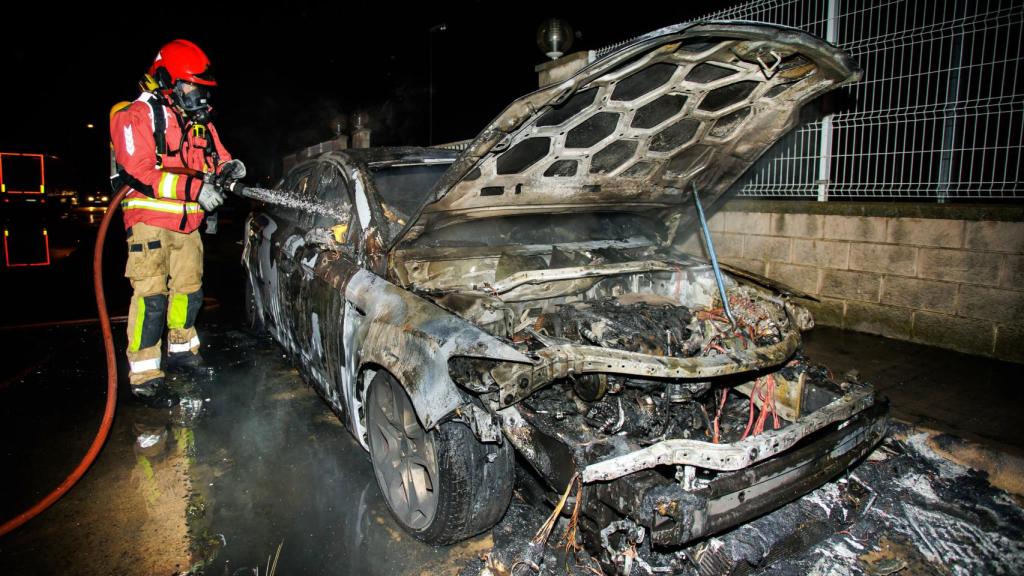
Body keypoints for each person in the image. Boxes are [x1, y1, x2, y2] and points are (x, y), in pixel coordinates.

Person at [109, 39, 245, 403]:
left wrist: (229, 169)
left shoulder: (198, 122)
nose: (199, 95)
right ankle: (145, 376)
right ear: (167, 80)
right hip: (149, 222)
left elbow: (219, 157)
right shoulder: (137, 115)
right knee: (152, 299)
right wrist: (196, 190)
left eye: (202, 88)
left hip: (188, 224)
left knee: (188, 292)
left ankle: (183, 354)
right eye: (191, 86)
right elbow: (139, 172)